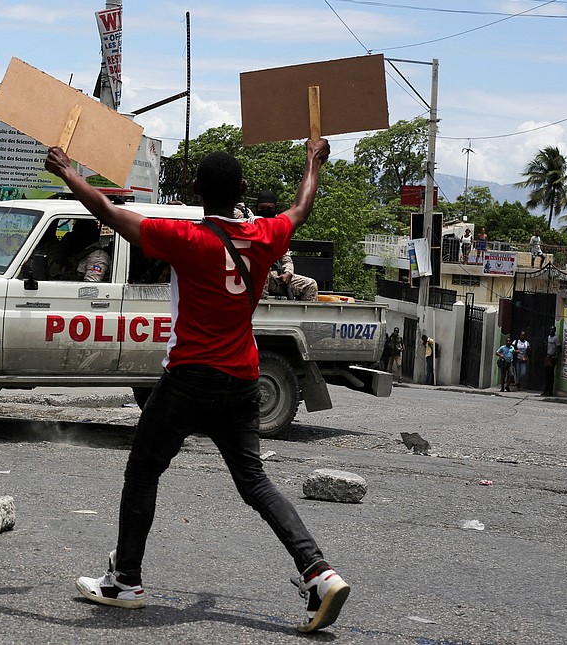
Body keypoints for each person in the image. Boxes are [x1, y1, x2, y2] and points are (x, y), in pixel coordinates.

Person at [46, 139, 348, 633]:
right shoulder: (265, 236)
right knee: (254, 482)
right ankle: (319, 573)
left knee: (143, 470)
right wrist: (312, 163)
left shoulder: (186, 237)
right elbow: (301, 207)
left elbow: (106, 209)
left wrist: (66, 171)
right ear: (243, 192)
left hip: (190, 376)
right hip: (244, 378)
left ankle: (125, 580)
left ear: (195, 191)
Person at [255, 191, 319, 302]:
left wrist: (288, 272)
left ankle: (309, 318)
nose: (266, 212)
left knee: (310, 284)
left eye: (270, 209)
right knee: (262, 272)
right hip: (252, 276)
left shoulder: (277, 229)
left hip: (274, 277)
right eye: (262, 208)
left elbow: (286, 258)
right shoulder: (250, 224)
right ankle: (260, 312)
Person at [543, 326, 560, 396]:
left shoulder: (556, 338)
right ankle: (546, 390)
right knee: (547, 375)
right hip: (547, 357)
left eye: (552, 330)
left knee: (551, 375)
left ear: (554, 331)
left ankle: (550, 391)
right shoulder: (548, 337)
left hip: (552, 358)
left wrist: (555, 355)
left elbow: (559, 348)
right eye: (550, 329)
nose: (551, 331)